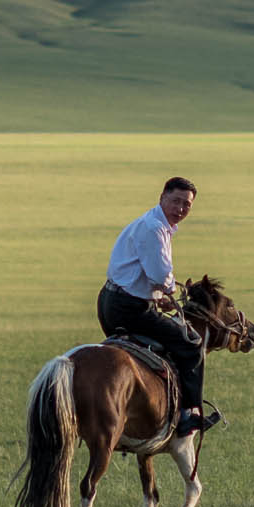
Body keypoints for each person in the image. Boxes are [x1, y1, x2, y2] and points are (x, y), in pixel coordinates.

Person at [98, 175, 217, 439]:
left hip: (112, 299)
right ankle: (189, 415)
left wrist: (158, 293)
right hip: (129, 308)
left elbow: (144, 273)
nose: (181, 209)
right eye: (176, 201)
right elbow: (160, 274)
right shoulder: (154, 228)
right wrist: (169, 289)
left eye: (187, 205)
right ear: (161, 198)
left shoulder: (151, 223)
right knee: (191, 344)